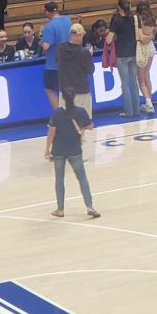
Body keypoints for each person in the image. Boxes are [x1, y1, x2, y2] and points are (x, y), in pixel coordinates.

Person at [44, 87, 100, 220]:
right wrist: (82, 126)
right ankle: (89, 207)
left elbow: (51, 132)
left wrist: (47, 149)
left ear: (63, 98)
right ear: (74, 97)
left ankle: (60, 209)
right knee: (82, 178)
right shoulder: (81, 111)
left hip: (59, 150)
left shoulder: (57, 113)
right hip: (74, 149)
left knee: (59, 179)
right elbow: (90, 126)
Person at [106, 0, 140, 118]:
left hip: (121, 54)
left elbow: (109, 39)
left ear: (118, 7)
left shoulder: (116, 19)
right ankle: (136, 110)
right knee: (134, 82)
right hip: (133, 52)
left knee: (125, 83)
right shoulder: (134, 17)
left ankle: (129, 111)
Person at [57, 23, 94, 115]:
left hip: (64, 92)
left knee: (65, 121)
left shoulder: (60, 48)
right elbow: (91, 70)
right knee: (83, 121)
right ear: (80, 35)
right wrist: (90, 56)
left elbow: (57, 61)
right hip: (81, 91)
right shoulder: (84, 52)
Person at [41, 1, 72, 110]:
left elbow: (46, 46)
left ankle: (60, 114)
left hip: (54, 64)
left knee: (49, 89)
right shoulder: (67, 20)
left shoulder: (49, 26)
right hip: (68, 61)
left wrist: (42, 39)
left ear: (47, 11)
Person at [136, 0, 157, 113]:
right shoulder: (152, 19)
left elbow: (142, 39)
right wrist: (151, 35)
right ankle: (149, 101)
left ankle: (148, 103)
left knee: (141, 79)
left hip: (142, 49)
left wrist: (148, 37)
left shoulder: (138, 20)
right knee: (147, 75)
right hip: (151, 48)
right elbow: (152, 36)